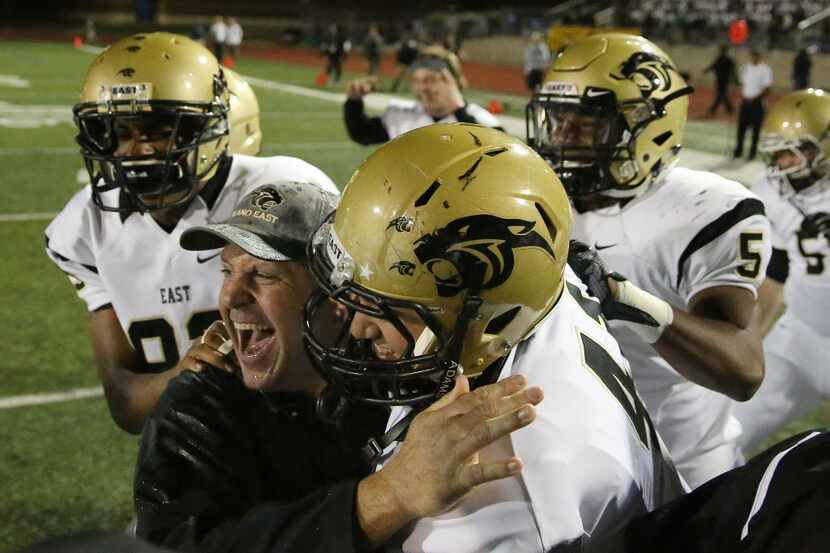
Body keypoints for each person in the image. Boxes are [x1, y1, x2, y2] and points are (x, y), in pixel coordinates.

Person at [303, 123, 684, 551]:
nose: (357, 328)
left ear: (493, 321)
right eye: (354, 299)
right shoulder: (535, 285)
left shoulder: (493, 506)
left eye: (393, 311)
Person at [134, 181, 544, 552]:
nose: (231, 296)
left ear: (336, 293)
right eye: (227, 271)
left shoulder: (400, 364)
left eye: (262, 274)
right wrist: (385, 498)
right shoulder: (197, 407)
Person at [44, 33, 336, 434]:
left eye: (160, 129)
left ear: (209, 126)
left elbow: (348, 334)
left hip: (307, 427)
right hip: (196, 440)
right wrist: (186, 374)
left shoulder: (282, 188)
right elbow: (127, 404)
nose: (137, 150)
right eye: (118, 131)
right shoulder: (82, 227)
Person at [527, 33, 771, 488]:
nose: (562, 137)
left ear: (648, 128)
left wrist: (625, 299)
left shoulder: (703, 209)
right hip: (577, 455)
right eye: (556, 120)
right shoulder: (533, 193)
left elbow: (742, 368)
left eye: (586, 123)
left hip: (684, 464)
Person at [733, 89, 830, 452]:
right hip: (801, 337)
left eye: (795, 151)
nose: (784, 165)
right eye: (779, 154)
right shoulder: (772, 193)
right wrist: (746, 339)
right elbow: (776, 272)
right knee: (728, 433)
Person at [344, 45, 502, 146]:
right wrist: (354, 101)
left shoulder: (482, 123)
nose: (423, 87)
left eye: (431, 79)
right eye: (417, 80)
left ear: (454, 81)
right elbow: (360, 133)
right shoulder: (401, 116)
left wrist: (458, 108)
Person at [733, 48, 773, 161]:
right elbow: (741, 82)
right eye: (753, 55)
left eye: (756, 56)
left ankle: (752, 153)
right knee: (741, 128)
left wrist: (755, 98)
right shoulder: (746, 67)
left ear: (760, 57)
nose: (754, 58)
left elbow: (767, 88)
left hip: (757, 103)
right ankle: (738, 151)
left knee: (756, 130)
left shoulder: (765, 69)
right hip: (745, 102)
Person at [703, 44, 736, 116]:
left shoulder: (720, 59)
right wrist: (735, 79)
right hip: (724, 80)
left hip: (721, 80)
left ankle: (714, 109)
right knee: (722, 94)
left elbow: (713, 66)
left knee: (721, 95)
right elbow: (733, 71)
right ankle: (728, 109)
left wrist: (705, 71)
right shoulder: (728, 60)